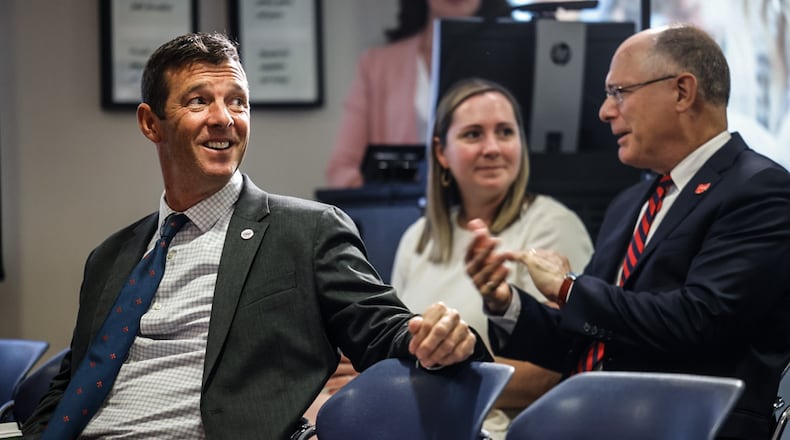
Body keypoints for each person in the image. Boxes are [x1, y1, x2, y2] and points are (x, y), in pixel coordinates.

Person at [21, 32, 492, 440]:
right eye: (199, 100)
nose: (224, 118)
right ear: (150, 123)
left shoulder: (307, 231)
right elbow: (74, 380)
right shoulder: (110, 257)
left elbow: (385, 330)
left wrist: (446, 339)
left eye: (238, 101)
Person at [465, 23, 790, 439]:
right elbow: (587, 339)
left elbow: (699, 321)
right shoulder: (629, 204)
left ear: (682, 91)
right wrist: (505, 302)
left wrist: (569, 289)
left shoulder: (759, 188)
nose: (604, 110)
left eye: (619, 91)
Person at [391, 77, 594, 438]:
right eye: (473, 135)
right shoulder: (417, 238)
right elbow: (396, 343)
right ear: (441, 152)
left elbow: (549, 374)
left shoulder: (552, 225)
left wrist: (418, 374)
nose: (492, 148)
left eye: (505, 132)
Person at [325, 0, 510, 188]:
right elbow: (341, 168)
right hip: (404, 211)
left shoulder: (509, 60)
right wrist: (385, 192)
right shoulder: (376, 65)